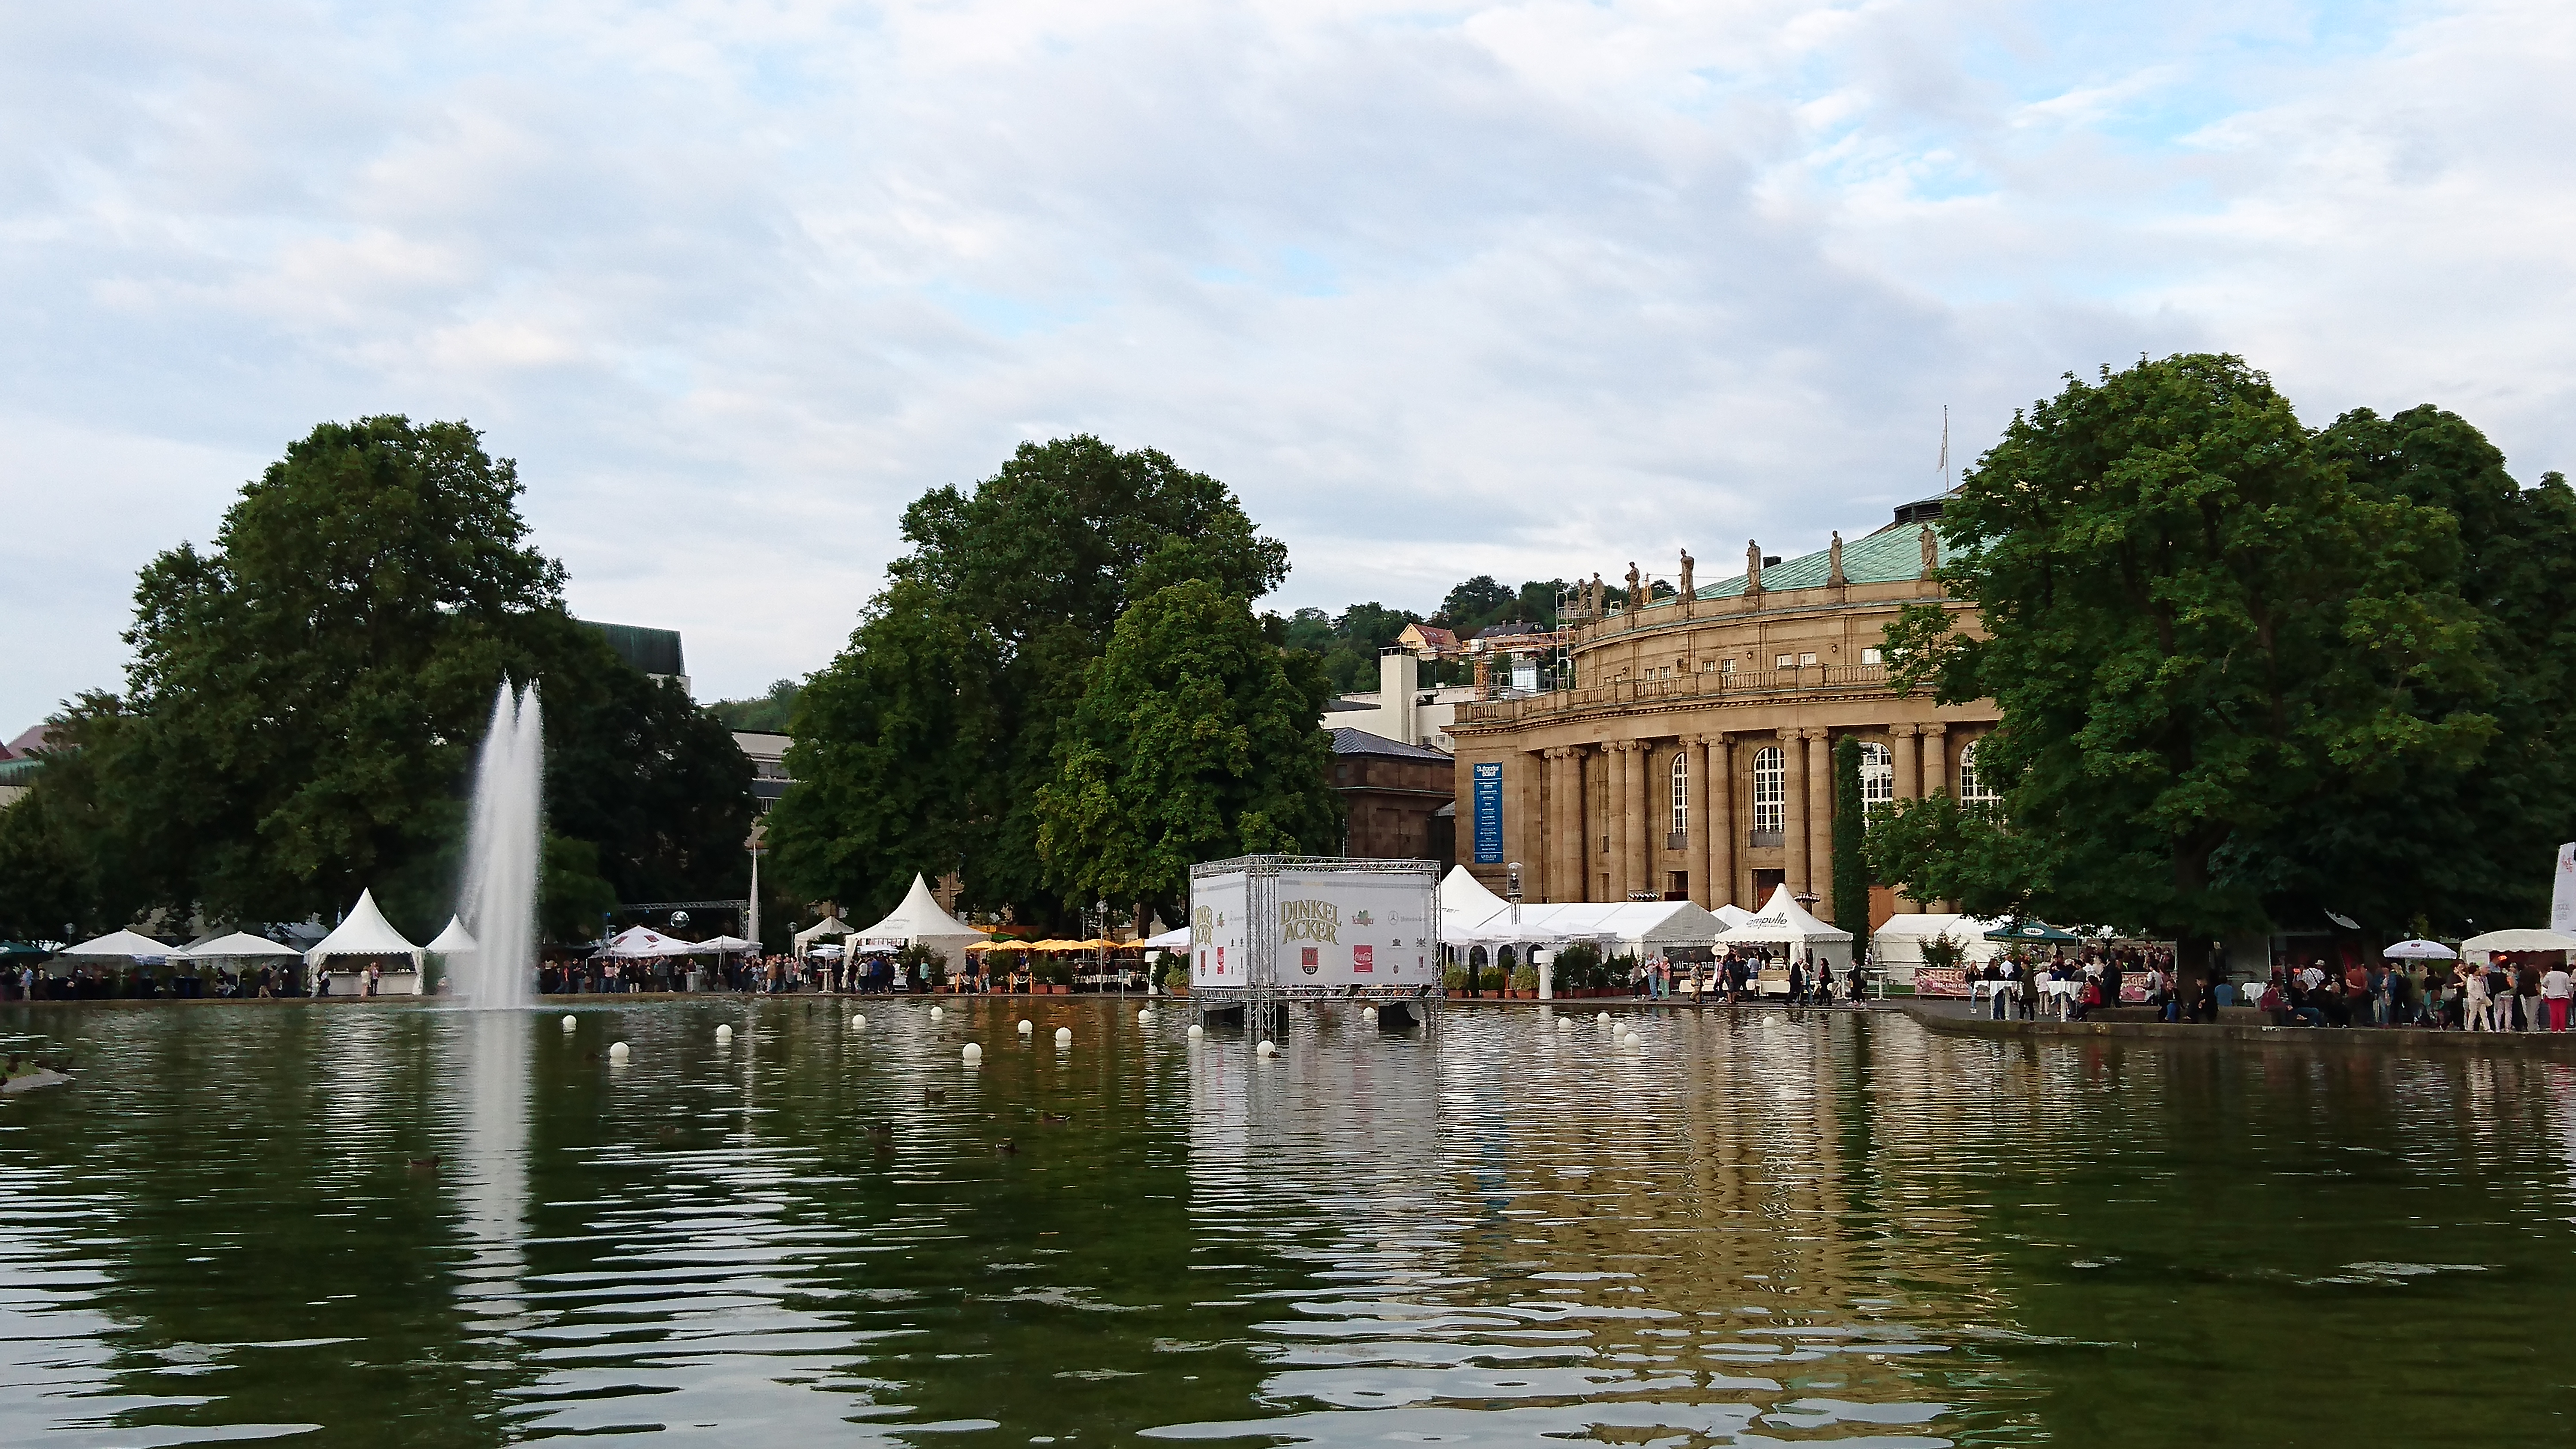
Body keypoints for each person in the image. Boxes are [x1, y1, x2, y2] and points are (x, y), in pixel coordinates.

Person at [2543, 961, 2574, 1032]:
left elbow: (2544, 983)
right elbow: (2568, 987)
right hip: (2563, 996)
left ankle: (2554, 1029)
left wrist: (2549, 987)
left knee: (2553, 1013)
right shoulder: (2565, 975)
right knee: (2562, 1013)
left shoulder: (2550, 974)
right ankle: (2562, 1029)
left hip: (2552, 996)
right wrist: (2571, 990)